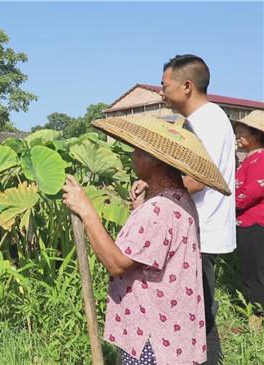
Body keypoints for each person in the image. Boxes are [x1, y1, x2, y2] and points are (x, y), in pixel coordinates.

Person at [64, 115, 231, 365]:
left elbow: (117, 263)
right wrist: (141, 205)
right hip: (171, 329)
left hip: (152, 333)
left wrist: (86, 210)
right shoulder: (179, 199)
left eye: (139, 151)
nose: (133, 156)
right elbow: (152, 245)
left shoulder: (159, 210)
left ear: (156, 162)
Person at [130, 54, 236, 364]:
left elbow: (200, 179)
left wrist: (154, 193)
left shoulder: (208, 122)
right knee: (194, 313)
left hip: (201, 232)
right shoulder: (200, 120)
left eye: (165, 86)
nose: (162, 93)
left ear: (186, 86)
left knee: (199, 317)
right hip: (195, 229)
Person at [234, 110, 264, 330]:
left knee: (254, 272)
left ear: (256, 133)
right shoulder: (250, 159)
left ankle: (256, 318)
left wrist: (229, 203)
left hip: (255, 223)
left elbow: (249, 193)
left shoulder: (260, 160)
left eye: (242, 130)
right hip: (249, 222)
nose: (238, 133)